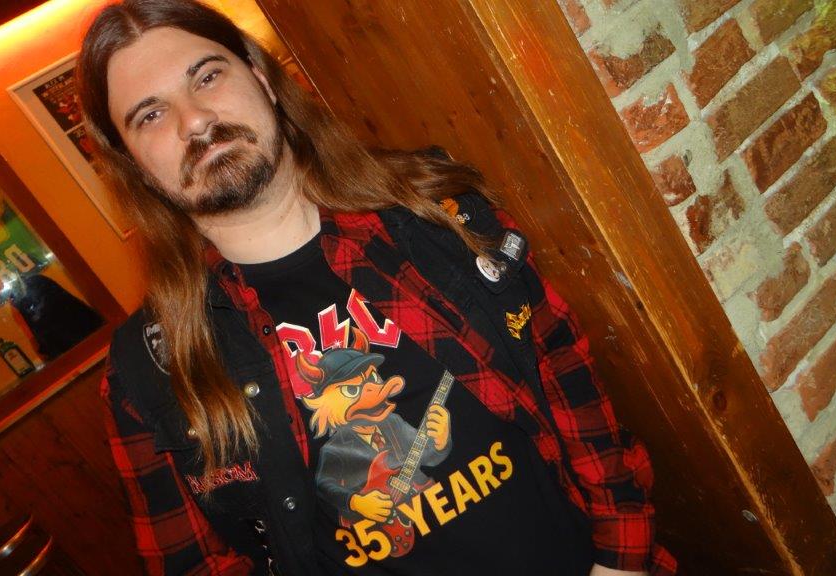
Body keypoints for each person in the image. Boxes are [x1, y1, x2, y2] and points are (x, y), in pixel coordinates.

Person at [78, 1, 676, 575]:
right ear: (132, 162)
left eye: (207, 76)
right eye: (150, 115)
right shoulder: (146, 373)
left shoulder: (435, 211)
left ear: (260, 77)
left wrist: (622, 558)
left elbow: (566, 374)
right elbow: (198, 565)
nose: (194, 121)